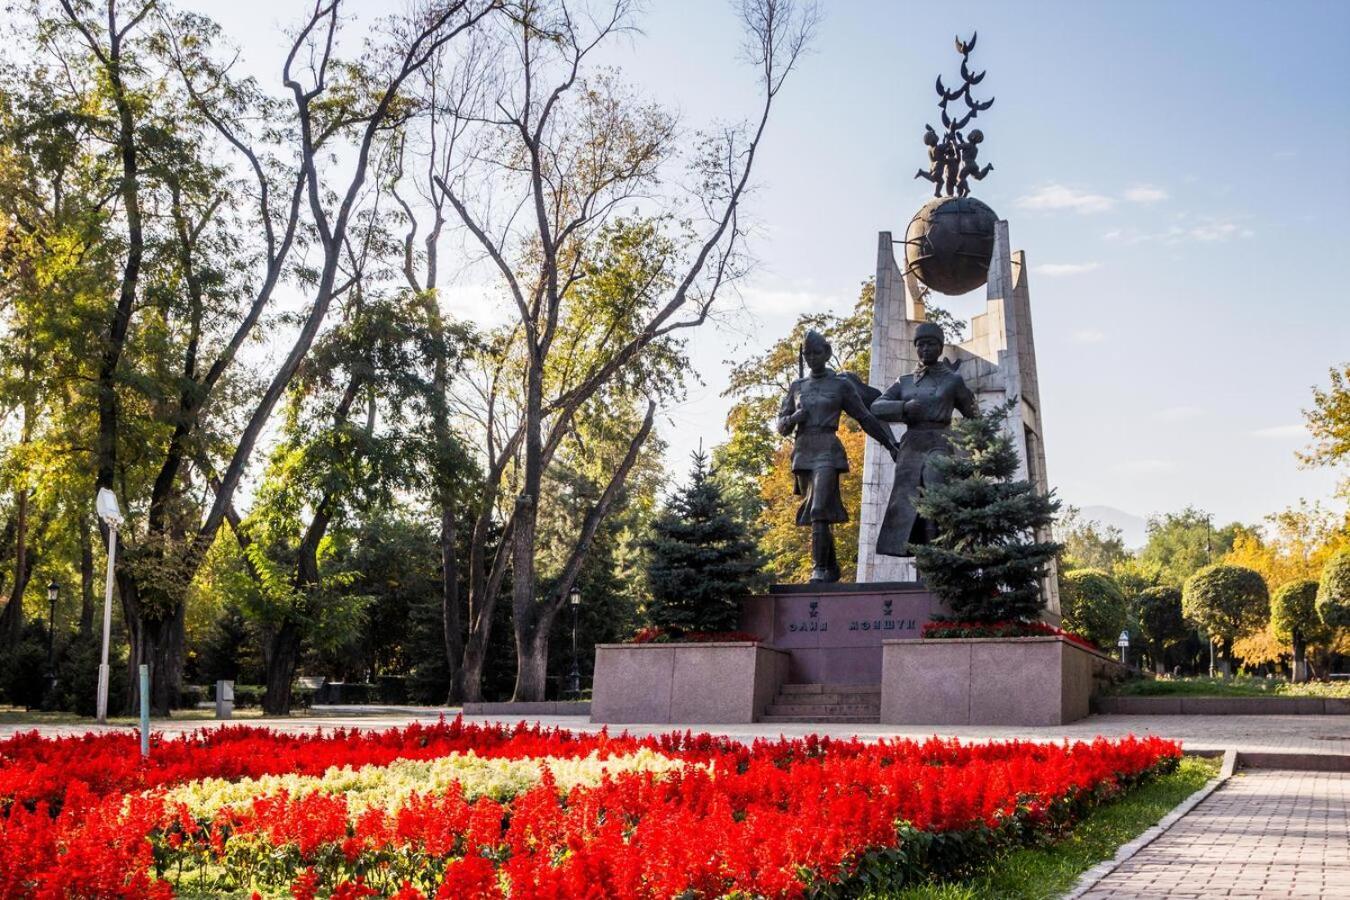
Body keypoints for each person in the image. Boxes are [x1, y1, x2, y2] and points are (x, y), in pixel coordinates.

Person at [777, 330, 899, 582]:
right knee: (817, 514)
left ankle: (819, 569)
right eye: (807, 353)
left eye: (816, 352)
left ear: (827, 353)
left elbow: (864, 417)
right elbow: (781, 426)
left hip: (828, 450)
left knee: (819, 508)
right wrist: (793, 418)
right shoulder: (797, 387)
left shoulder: (841, 385)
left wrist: (889, 443)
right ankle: (830, 568)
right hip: (803, 452)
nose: (811, 357)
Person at [871, 321, 979, 556]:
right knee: (911, 502)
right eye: (920, 345)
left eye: (930, 344)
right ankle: (924, 558)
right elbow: (876, 407)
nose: (925, 349)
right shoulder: (905, 381)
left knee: (935, 491)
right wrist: (903, 407)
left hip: (940, 441)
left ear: (940, 348)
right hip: (911, 446)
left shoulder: (952, 380)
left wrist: (972, 447)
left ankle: (939, 553)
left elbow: (974, 414)